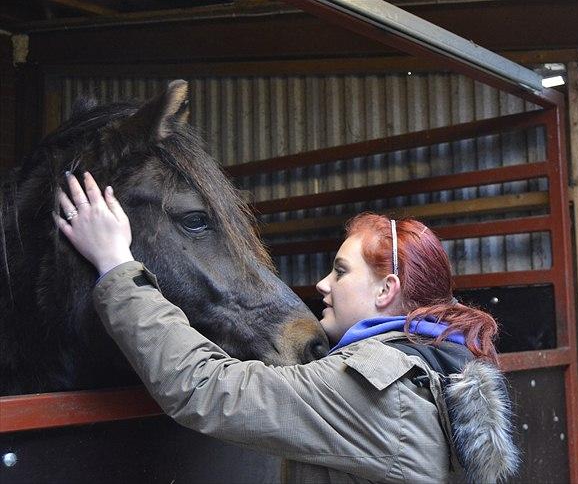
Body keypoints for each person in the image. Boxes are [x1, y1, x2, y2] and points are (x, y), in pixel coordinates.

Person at [54, 171, 518, 483]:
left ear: (386, 291)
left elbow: (205, 388)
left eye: (340, 271)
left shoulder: (375, 385)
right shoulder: (441, 368)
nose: (322, 285)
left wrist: (115, 263)